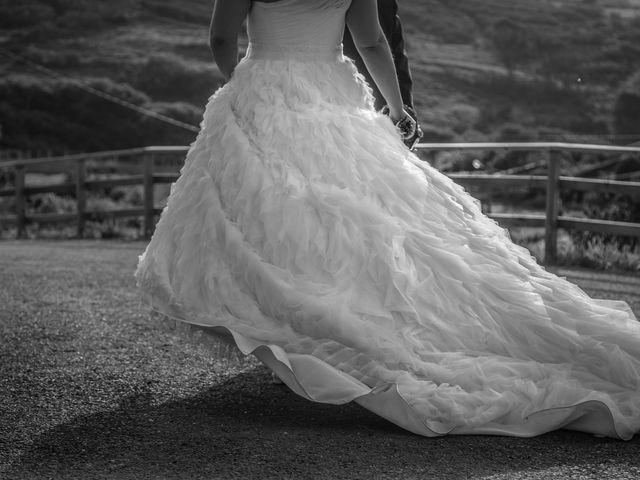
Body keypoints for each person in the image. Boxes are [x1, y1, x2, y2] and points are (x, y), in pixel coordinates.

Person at [136, 0, 640, 440]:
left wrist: (240, 83)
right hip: (332, 93)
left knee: (272, 213)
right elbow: (373, 40)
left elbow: (222, 37)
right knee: (355, 214)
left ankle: (293, 324)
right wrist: (399, 110)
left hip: (262, 87)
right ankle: (319, 327)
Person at [342, 0, 423, 148]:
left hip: (379, 116)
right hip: (342, 105)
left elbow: (397, 58)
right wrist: (400, 115)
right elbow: (373, 46)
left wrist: (403, 112)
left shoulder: (386, 3)